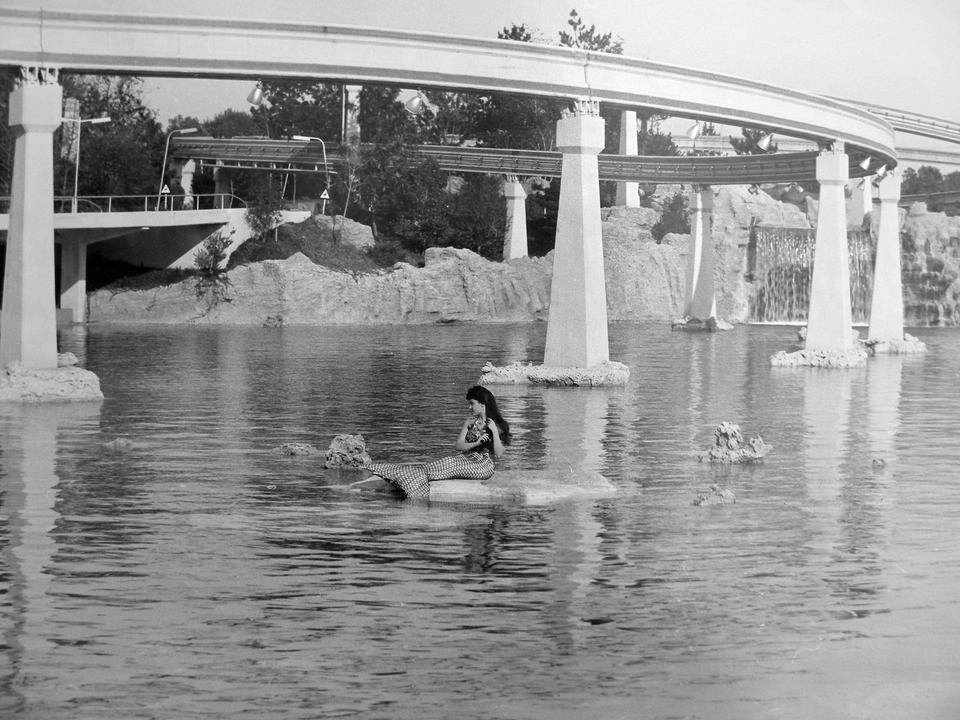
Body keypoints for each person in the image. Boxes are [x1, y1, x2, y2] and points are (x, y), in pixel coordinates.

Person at [365, 385, 511, 499]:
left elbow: (498, 454)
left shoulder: (496, 424)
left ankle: (411, 481)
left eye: (472, 404)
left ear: (482, 404)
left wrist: (493, 431)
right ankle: (404, 476)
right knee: (446, 461)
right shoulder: (470, 422)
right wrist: (476, 443)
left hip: (483, 465)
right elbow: (458, 445)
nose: (470, 407)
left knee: (450, 465)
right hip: (466, 458)